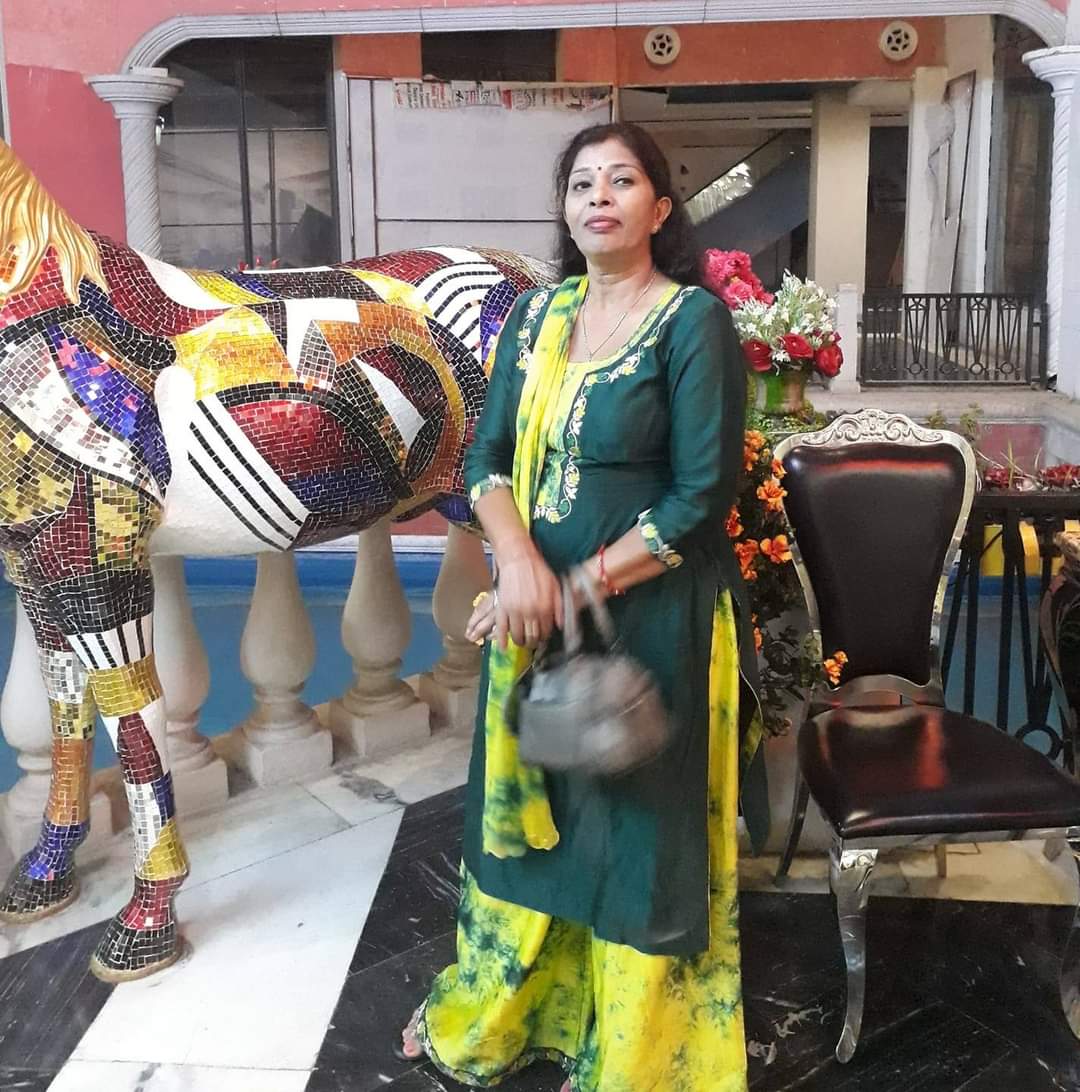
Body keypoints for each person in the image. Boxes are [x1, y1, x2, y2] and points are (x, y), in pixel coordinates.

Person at [398, 121, 761, 1092]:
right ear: (565, 212)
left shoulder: (691, 323)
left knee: (635, 826)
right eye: (581, 183)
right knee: (536, 813)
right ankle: (512, 1012)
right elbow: (484, 459)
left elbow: (700, 499)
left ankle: (639, 1055)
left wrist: (568, 589)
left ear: (660, 208)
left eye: (622, 180)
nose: (599, 196)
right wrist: (518, 564)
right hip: (535, 622)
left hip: (656, 614)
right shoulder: (535, 319)